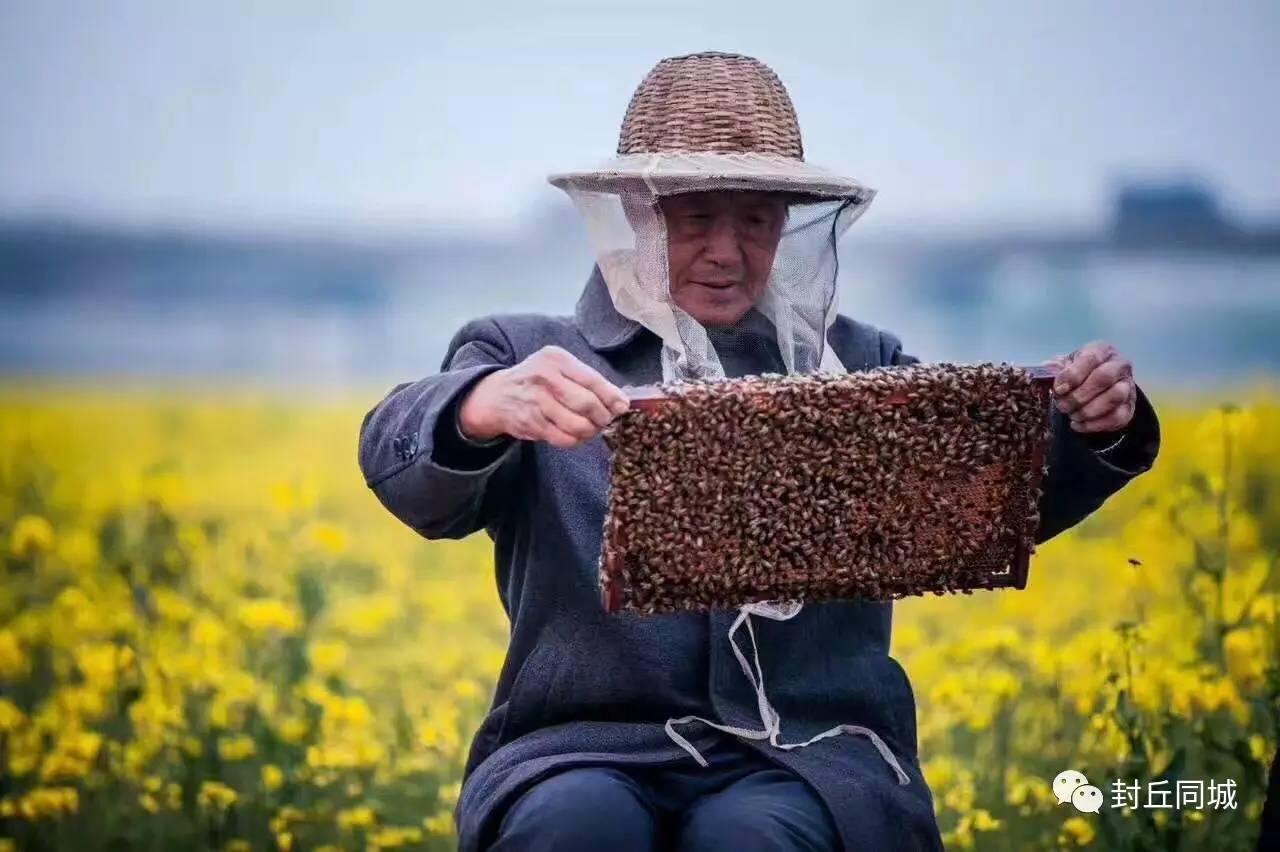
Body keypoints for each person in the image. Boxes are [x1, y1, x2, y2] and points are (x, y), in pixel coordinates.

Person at [357, 52, 1161, 852]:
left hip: (810, 754)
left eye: (755, 219)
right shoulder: (530, 353)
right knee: (576, 827)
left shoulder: (860, 365)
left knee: (753, 835)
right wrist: (478, 406)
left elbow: (987, 493)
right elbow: (404, 465)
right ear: (637, 216)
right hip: (578, 746)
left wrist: (1095, 420)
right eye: (696, 217)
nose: (727, 251)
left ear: (789, 223)